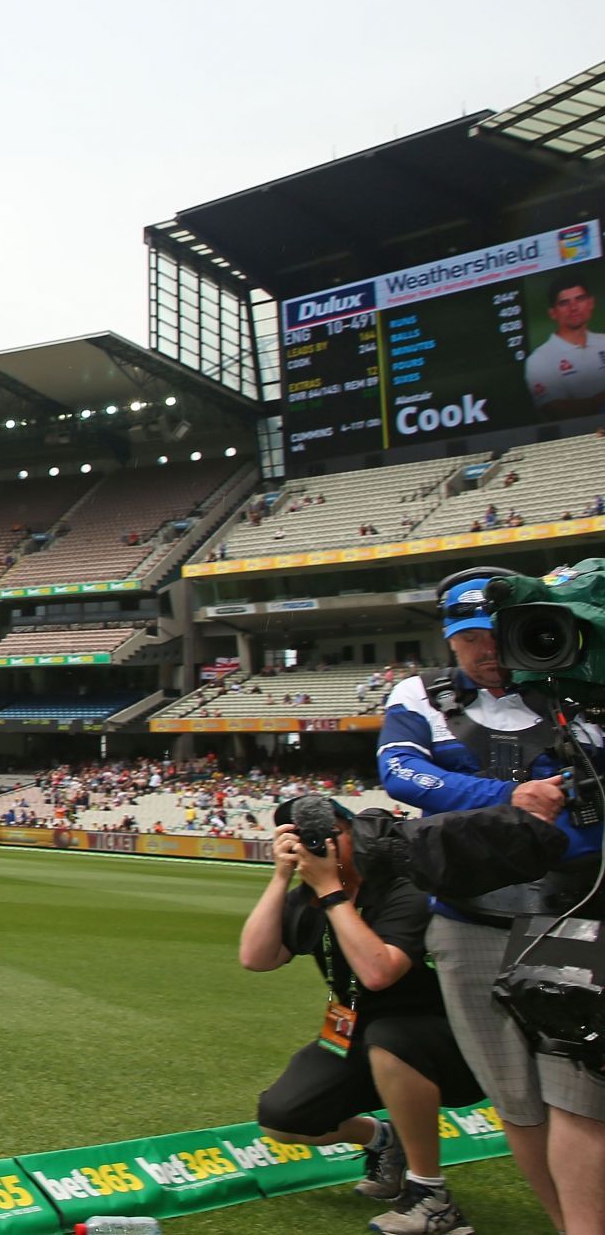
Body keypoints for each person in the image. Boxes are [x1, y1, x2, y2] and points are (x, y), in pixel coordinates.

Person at [377, 572, 605, 1234]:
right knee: (516, 1097)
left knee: (578, 1093)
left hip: (568, 910)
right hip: (468, 916)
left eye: (500, 635)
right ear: (451, 640)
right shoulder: (419, 694)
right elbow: (401, 772)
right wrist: (509, 799)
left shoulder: (578, 686)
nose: (489, 651)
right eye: (472, 638)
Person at [240, 798, 483, 1234]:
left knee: (391, 1039)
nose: (317, 844)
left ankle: (432, 1197)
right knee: (282, 1116)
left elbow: (378, 973)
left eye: (329, 831)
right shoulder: (305, 900)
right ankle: (384, 1140)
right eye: (301, 835)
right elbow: (256, 958)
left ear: (357, 834)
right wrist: (280, 877)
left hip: (444, 1039)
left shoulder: (401, 888)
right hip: (353, 1030)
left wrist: (333, 892)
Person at [524, 276, 605, 419]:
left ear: (591, 303)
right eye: (564, 303)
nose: (574, 308)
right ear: (553, 313)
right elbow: (557, 411)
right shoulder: (540, 359)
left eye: (579, 299)